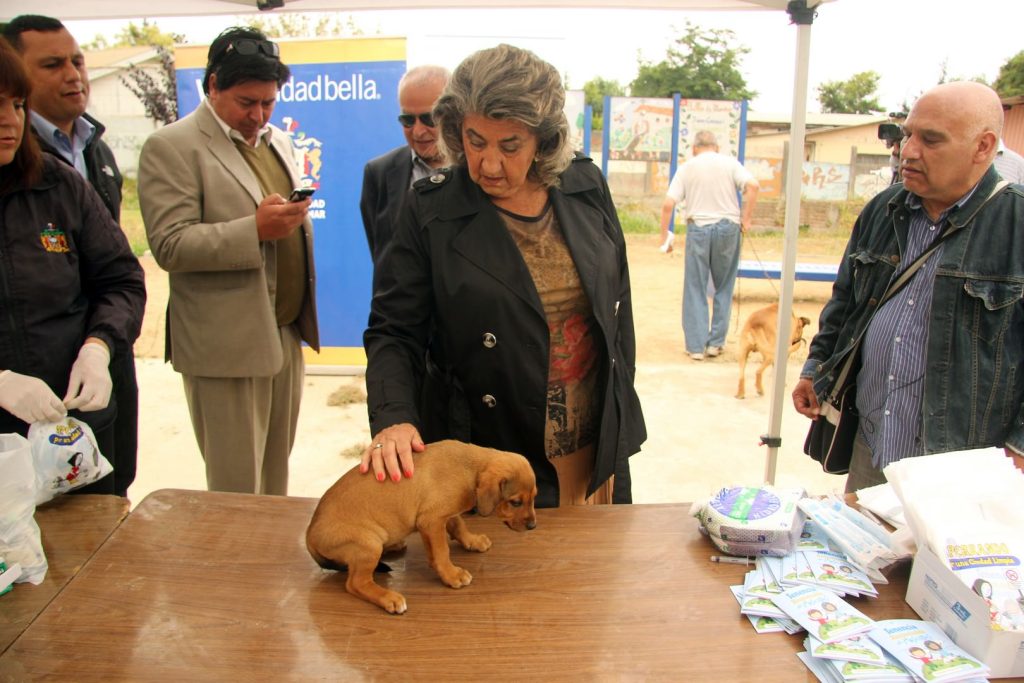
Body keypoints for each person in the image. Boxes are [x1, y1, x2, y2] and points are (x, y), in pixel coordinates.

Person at [361, 44, 646, 508]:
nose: (489, 164)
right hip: (490, 453)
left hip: (593, 448)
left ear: (544, 139)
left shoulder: (585, 184)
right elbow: (394, 330)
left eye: (510, 146)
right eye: (475, 141)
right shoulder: (431, 209)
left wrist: (621, 398)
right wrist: (394, 417)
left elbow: (618, 306)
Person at [792, 81, 1024, 492]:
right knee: (867, 537)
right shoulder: (882, 210)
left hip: (964, 471)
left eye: (930, 140)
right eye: (908, 135)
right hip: (873, 448)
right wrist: (817, 369)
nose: (909, 151)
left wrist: (1019, 446)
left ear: (983, 147)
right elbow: (845, 301)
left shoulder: (1017, 224)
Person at [137, 27, 319, 495]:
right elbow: (170, 245)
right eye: (246, 102)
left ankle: (268, 547)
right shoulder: (172, 147)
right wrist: (253, 230)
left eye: (268, 103)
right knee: (235, 491)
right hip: (225, 348)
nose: (258, 115)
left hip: (282, 333)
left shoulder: (278, 141)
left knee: (274, 481)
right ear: (213, 85)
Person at [4, 14, 141, 497]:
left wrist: (98, 347)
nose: (9, 120)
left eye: (16, 104)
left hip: (77, 430)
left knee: (100, 530)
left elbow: (121, 279)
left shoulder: (58, 183)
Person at [658, 130, 759, 360]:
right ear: (717, 147)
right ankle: (716, 343)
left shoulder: (687, 168)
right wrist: (746, 219)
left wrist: (664, 237)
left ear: (694, 148)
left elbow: (668, 204)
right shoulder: (730, 163)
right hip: (728, 228)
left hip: (699, 229)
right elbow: (753, 186)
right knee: (724, 286)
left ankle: (695, 347)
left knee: (695, 286)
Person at [359, 65, 449, 267]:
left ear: (452, 113)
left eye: (428, 118)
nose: (418, 131)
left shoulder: (479, 171)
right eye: (408, 120)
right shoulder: (379, 173)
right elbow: (383, 258)